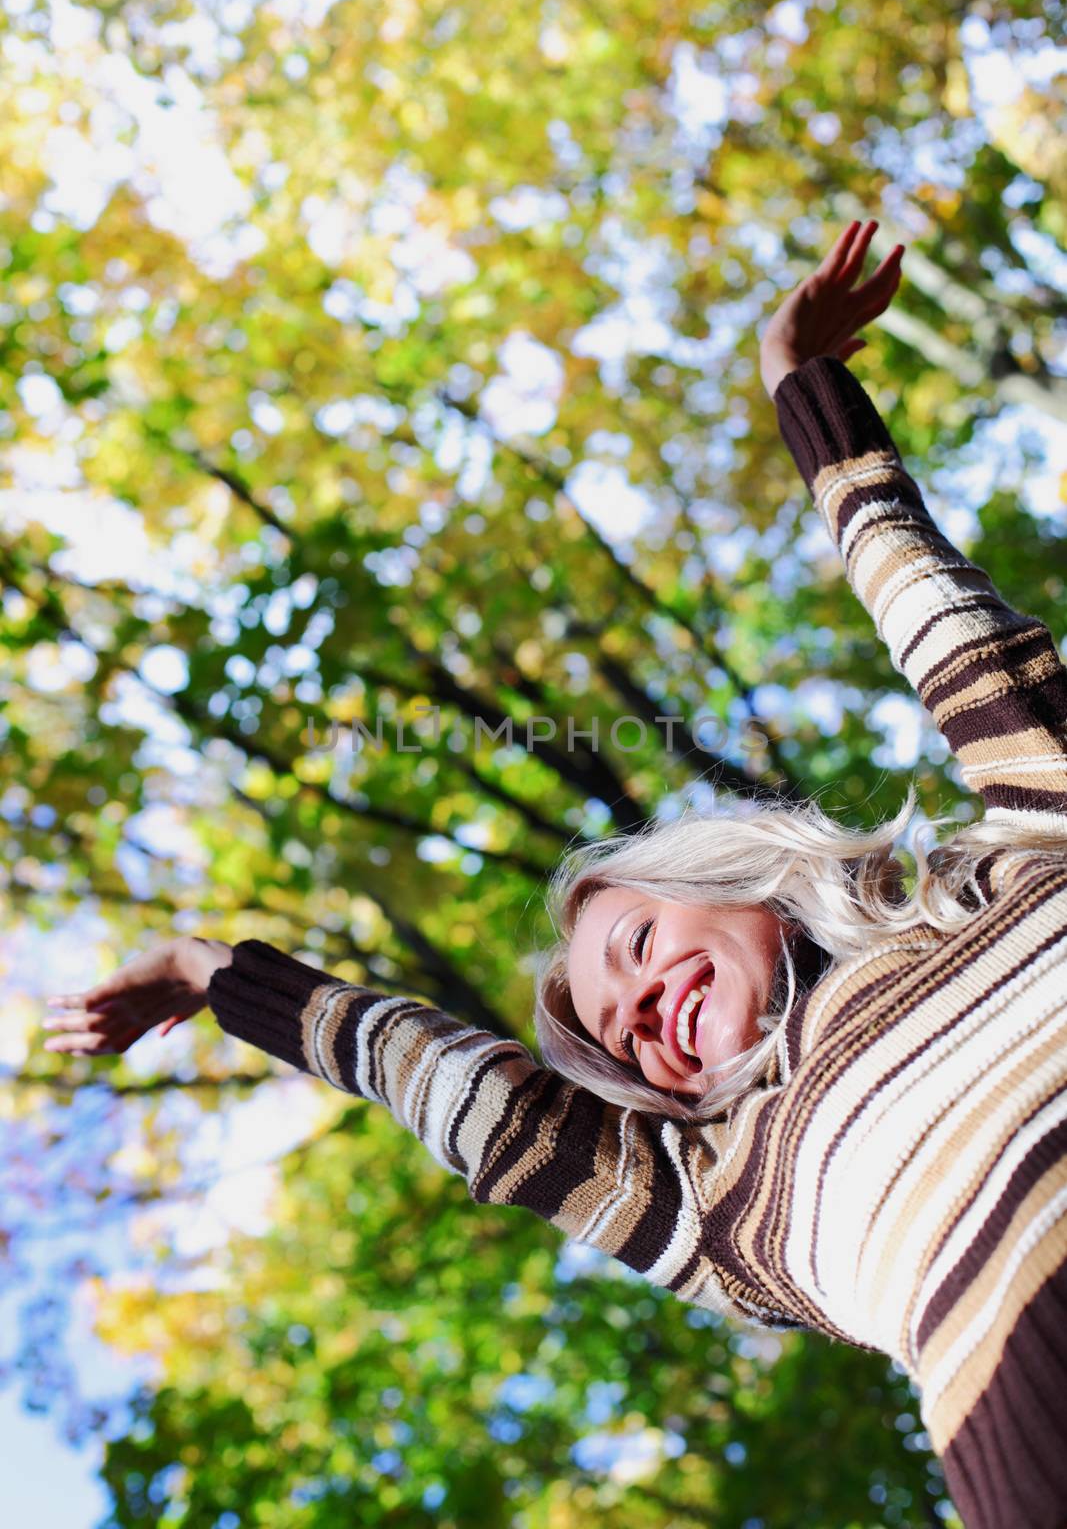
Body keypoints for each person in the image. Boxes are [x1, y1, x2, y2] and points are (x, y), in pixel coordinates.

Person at [41, 221, 1067, 1529]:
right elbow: (454, 1088)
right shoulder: (719, 1202)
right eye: (620, 1041)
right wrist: (209, 972)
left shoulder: (1027, 852)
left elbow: (945, 626)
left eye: (633, 950)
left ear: (730, 877)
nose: (636, 1012)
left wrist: (800, 387)